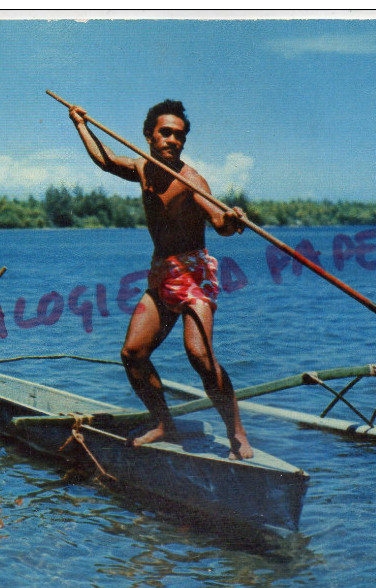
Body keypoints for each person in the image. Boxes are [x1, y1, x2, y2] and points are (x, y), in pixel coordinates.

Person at [67, 99, 254, 459]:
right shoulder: (142, 167)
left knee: (199, 355)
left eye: (179, 136)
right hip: (162, 274)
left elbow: (219, 223)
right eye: (165, 133)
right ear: (149, 136)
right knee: (133, 353)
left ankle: (237, 433)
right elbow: (106, 161)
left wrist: (233, 220)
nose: (173, 140)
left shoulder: (192, 181)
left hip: (194, 276)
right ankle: (165, 424)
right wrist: (80, 124)